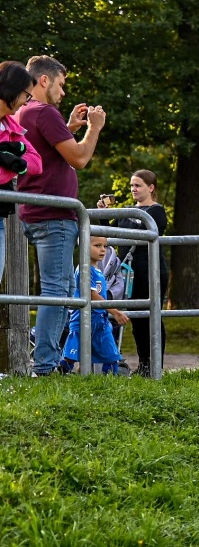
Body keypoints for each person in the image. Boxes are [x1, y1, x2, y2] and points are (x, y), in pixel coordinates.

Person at [17, 56, 105, 377]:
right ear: (44, 81)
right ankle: (45, 365)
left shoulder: (24, 112)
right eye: (61, 85)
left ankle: (48, 355)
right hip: (55, 216)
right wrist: (94, 129)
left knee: (65, 289)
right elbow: (79, 158)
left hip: (37, 213)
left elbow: (46, 150)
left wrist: (68, 128)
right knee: (56, 291)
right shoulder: (44, 111)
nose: (64, 93)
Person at [106, 170, 168, 375]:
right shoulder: (127, 211)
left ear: (151, 188)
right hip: (128, 273)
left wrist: (126, 216)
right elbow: (105, 232)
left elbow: (152, 229)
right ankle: (143, 364)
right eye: (132, 185)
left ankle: (155, 365)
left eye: (138, 185)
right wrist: (105, 213)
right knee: (137, 319)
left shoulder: (156, 211)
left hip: (151, 271)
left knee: (151, 316)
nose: (133, 189)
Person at [0, 61, 45, 286]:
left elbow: (37, 162)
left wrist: (14, 161)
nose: (26, 102)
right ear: (12, 89)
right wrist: (9, 166)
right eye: (27, 95)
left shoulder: (13, 127)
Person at [59, 235, 127, 375]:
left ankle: (109, 381)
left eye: (105, 246)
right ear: (84, 246)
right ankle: (63, 372)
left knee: (111, 353)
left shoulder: (97, 270)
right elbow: (92, 295)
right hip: (83, 319)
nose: (103, 250)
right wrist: (114, 311)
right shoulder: (85, 269)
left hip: (100, 320)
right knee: (71, 355)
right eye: (97, 246)